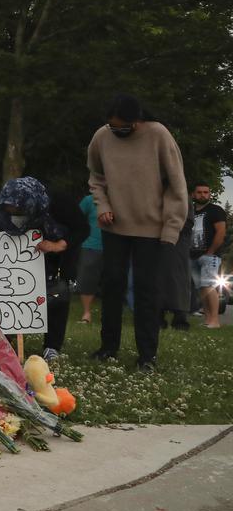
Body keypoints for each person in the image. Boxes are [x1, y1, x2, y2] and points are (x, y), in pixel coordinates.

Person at [87, 95, 188, 371]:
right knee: (112, 285)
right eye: (111, 126)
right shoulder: (102, 137)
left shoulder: (158, 135)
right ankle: (108, 348)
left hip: (151, 229)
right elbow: (95, 177)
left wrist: (171, 228)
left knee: (147, 291)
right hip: (114, 225)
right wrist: (103, 205)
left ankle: (147, 356)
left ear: (137, 121)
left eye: (121, 127)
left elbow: (177, 185)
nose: (115, 131)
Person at [0, 177, 89, 361]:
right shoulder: (6, 207)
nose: (14, 213)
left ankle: (52, 346)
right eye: (11, 210)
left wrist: (58, 245)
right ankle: (7, 339)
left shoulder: (59, 202)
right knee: (14, 293)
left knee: (57, 294)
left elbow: (82, 229)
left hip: (59, 253)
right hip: (23, 254)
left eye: (18, 210)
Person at [190, 181, 226, 329]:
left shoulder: (215, 210)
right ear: (193, 194)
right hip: (192, 256)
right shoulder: (190, 211)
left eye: (206, 192)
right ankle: (207, 320)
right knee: (201, 288)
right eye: (199, 192)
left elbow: (221, 232)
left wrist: (210, 252)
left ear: (209, 194)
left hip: (210, 256)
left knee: (209, 286)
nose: (203, 195)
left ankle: (215, 321)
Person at [77, 190, 103, 324]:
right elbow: (76, 219)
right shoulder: (89, 200)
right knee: (87, 280)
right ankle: (86, 313)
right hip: (90, 245)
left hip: (116, 247)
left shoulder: (121, 199)